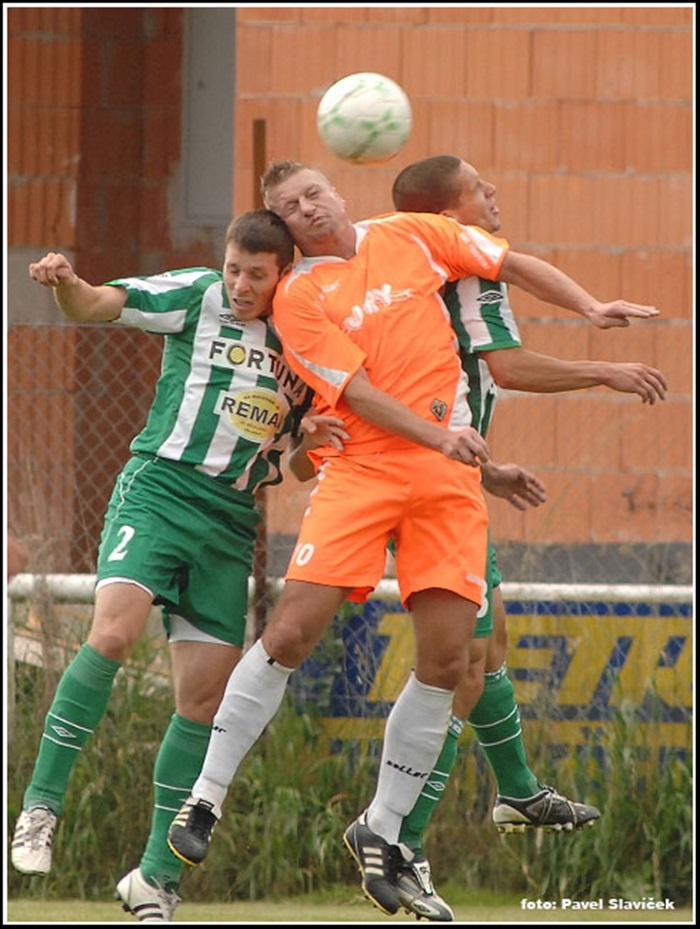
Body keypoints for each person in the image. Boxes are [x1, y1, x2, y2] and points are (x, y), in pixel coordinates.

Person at [166, 160, 662, 918]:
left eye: (313, 193)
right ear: (286, 227)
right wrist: (442, 435)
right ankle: (205, 797)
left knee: (451, 659)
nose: (307, 209)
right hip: (365, 468)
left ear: (335, 190)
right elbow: (358, 392)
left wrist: (591, 305)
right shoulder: (301, 293)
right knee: (293, 630)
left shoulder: (412, 235)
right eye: (289, 208)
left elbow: (509, 259)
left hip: (447, 480)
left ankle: (386, 827)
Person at [9, 210, 348, 924]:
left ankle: (155, 879)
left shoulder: (309, 343)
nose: (242, 283)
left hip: (229, 520)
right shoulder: (198, 295)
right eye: (234, 268)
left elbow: (289, 466)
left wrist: (313, 443)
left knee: (201, 702)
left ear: (283, 272)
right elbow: (101, 303)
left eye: (257, 273)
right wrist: (67, 283)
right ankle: (41, 804)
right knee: (112, 635)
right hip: (160, 489)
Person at [387, 154, 668, 920]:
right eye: (481, 187)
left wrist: (488, 470)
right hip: (424, 490)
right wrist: (602, 370)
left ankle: (514, 792)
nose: (495, 193)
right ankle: (399, 841)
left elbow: (448, 392)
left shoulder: (403, 271)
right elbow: (505, 367)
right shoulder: (465, 266)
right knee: (456, 670)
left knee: (488, 649)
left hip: (441, 476)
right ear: (449, 213)